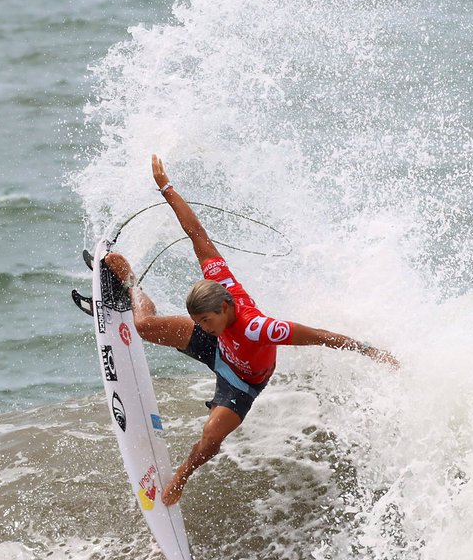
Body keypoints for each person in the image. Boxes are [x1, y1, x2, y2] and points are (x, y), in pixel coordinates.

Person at [105, 155, 397, 506]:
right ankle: (131, 283)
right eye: (198, 321)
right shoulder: (218, 282)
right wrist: (166, 188)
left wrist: (370, 351)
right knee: (144, 326)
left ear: (225, 308)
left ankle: (183, 475)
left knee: (211, 437)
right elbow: (196, 234)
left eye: (206, 321)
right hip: (219, 347)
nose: (201, 327)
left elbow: (321, 336)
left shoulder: (261, 329)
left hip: (242, 380)